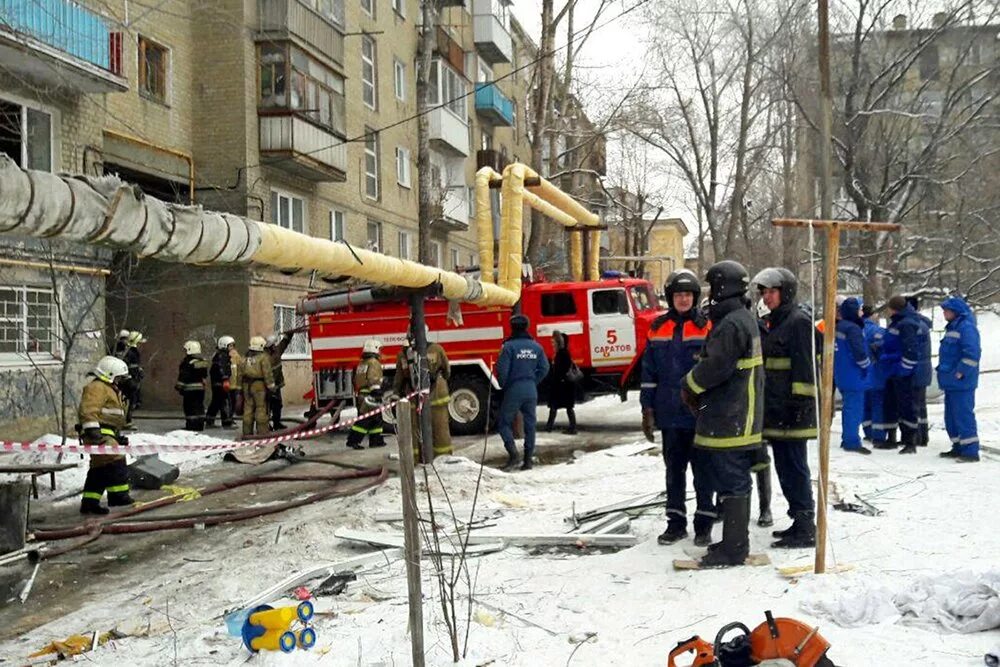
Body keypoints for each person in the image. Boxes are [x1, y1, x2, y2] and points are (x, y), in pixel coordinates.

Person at [681, 260, 763, 567]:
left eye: (712, 287)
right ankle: (732, 542)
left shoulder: (731, 324)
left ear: (720, 287)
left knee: (733, 481)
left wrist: (688, 384)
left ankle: (734, 548)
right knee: (733, 480)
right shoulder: (741, 318)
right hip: (737, 413)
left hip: (732, 415)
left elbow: (715, 367)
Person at [640, 269, 716, 546]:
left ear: (695, 297)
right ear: (670, 298)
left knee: (704, 471)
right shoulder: (657, 327)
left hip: (700, 413)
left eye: (687, 295)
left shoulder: (708, 326)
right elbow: (648, 374)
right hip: (669, 413)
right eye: (677, 295)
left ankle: (704, 523)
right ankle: (675, 523)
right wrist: (647, 410)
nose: (682, 299)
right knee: (674, 472)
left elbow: (716, 370)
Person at [753, 267, 818, 549]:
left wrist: (800, 404)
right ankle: (798, 520)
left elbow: (806, 368)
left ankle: (806, 525)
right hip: (777, 411)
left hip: (793, 413)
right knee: (784, 467)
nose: (767, 298)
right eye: (764, 293)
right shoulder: (776, 323)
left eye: (772, 292)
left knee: (794, 467)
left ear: (786, 292)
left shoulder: (798, 322)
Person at [77, 356, 134, 514]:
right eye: (120, 377)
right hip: (97, 433)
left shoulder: (111, 389)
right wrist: (92, 430)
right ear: (109, 374)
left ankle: (90, 502)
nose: (122, 381)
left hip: (107, 433)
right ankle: (118, 496)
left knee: (100, 467)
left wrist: (117, 436)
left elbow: (113, 416)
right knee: (115, 460)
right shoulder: (97, 387)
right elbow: (88, 409)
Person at [497, 314, 549, 471]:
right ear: (527, 327)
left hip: (514, 388)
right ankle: (528, 461)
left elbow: (502, 371)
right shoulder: (536, 347)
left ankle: (513, 455)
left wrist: (503, 386)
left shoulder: (509, 347)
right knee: (530, 425)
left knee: (504, 422)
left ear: (512, 327)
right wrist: (533, 381)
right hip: (531, 389)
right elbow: (545, 368)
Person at [393, 327, 453, 460]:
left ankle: (415, 459)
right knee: (440, 428)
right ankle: (443, 459)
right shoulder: (437, 349)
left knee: (414, 430)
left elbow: (399, 378)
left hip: (413, 396)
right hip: (437, 395)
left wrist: (396, 393)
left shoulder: (402, 354)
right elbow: (447, 371)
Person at [882, 295, 932, 454]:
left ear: (893, 308)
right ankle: (899, 438)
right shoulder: (900, 322)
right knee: (896, 404)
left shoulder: (906, 324)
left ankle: (910, 441)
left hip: (904, 372)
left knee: (907, 406)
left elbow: (909, 350)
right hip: (895, 369)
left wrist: (904, 370)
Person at [937, 295, 981, 462]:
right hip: (950, 380)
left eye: (946, 310)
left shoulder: (966, 328)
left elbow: (972, 353)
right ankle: (958, 446)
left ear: (955, 312)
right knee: (951, 416)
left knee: (963, 415)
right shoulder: (953, 327)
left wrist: (961, 371)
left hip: (962, 381)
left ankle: (970, 451)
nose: (944, 313)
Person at [834, 297, 872, 455]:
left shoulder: (838, 327)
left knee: (848, 407)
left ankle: (848, 437)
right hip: (854, 373)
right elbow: (859, 352)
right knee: (854, 408)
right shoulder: (853, 329)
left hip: (841, 372)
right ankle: (851, 441)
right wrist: (866, 365)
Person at [347, 338, 387, 450]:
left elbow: (356, 379)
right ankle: (353, 441)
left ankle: (376, 441)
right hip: (370, 395)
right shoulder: (374, 363)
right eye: (379, 349)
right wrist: (376, 391)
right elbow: (373, 378)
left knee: (376, 419)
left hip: (362, 394)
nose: (380, 352)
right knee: (365, 420)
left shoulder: (362, 363)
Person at [907, 296, 933, 446]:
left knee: (915, 404)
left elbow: (910, 348)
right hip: (922, 369)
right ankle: (923, 435)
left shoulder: (914, 326)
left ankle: (917, 436)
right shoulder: (922, 323)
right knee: (921, 404)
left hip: (915, 370)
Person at [861, 305, 888, 444]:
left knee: (865, 403)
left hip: (861, 372)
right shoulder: (877, 331)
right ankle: (878, 433)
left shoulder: (857, 329)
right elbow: (884, 348)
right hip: (876, 371)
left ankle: (867, 431)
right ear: (873, 315)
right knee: (877, 403)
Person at [241, 336, 275, 437]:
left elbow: (239, 373)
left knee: (248, 409)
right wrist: (271, 387)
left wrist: (239, 388)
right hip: (259, 385)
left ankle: (247, 433)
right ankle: (262, 433)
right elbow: (267, 373)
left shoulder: (245, 357)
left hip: (246, 385)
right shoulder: (263, 357)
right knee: (261, 408)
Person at [544, 331, 577, 434]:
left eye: (553, 342)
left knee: (556, 407)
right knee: (566, 407)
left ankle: (551, 427)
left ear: (558, 342)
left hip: (562, 385)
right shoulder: (562, 353)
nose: (552, 344)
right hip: (563, 385)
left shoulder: (562, 354)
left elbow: (562, 369)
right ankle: (571, 427)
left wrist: (556, 376)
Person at [175, 340, 209, 431]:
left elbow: (183, 376)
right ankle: (200, 425)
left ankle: (191, 426)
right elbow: (204, 375)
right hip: (200, 389)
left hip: (189, 389)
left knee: (190, 408)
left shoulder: (186, 363)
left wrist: (179, 387)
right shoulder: (202, 362)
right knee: (199, 406)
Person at [265, 332, 295, 430]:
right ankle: (266, 425)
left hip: (276, 384)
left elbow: (283, 344)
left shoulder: (276, 351)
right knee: (267, 406)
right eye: (273, 345)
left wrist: (289, 335)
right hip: (268, 386)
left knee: (277, 405)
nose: (275, 346)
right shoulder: (264, 358)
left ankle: (277, 423)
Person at [206, 335, 236, 428]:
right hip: (221, 383)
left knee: (216, 401)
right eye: (230, 345)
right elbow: (222, 368)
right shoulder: (222, 356)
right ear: (224, 345)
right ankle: (227, 422)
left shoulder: (220, 355)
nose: (232, 348)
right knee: (225, 401)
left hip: (217, 383)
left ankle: (209, 420)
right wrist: (225, 379)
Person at [122, 331, 145, 427]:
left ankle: (127, 420)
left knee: (132, 401)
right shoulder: (129, 352)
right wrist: (129, 379)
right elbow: (125, 366)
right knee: (128, 401)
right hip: (129, 381)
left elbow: (134, 365)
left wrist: (139, 371)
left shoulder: (133, 352)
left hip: (133, 380)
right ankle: (126, 421)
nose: (141, 345)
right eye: (140, 342)